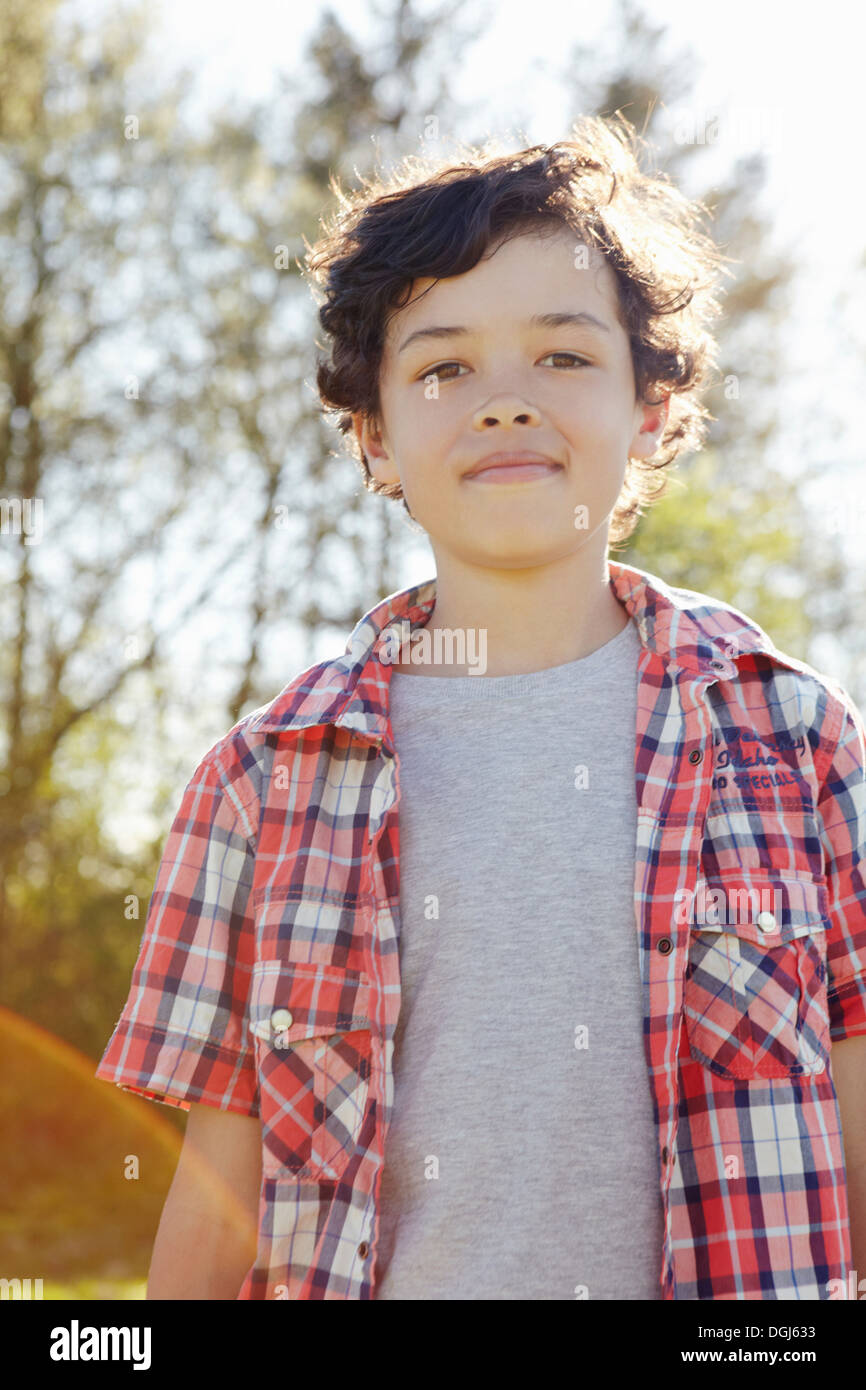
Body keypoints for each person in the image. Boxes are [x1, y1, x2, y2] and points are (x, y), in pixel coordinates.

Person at [96, 114, 866, 1300]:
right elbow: (218, 1193)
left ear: (649, 411)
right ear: (374, 439)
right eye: (444, 367)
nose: (503, 402)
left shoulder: (800, 743)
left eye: (561, 356)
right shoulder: (254, 784)